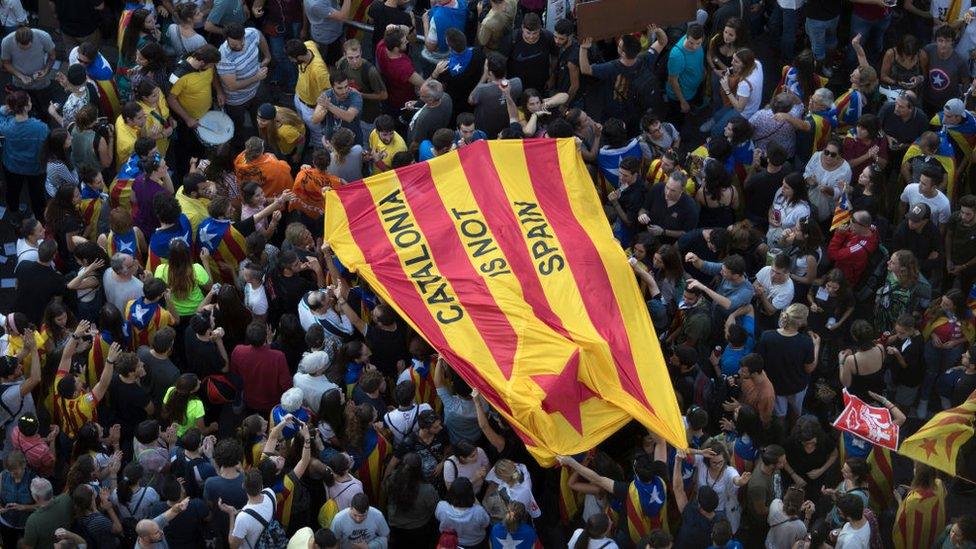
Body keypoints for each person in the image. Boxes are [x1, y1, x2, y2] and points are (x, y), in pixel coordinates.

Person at [217, 23, 271, 147]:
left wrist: (267, 56)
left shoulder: (251, 33)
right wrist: (256, 77)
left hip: (256, 90)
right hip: (237, 100)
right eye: (234, 45)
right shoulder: (224, 56)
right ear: (226, 39)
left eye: (242, 42)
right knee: (237, 128)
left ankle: (262, 145)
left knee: (259, 120)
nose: (240, 46)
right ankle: (240, 150)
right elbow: (233, 86)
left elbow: (260, 36)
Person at [667, 23, 705, 129]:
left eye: (698, 43)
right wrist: (683, 102)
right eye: (691, 43)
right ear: (686, 36)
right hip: (681, 96)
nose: (694, 47)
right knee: (678, 120)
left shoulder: (697, 40)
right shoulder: (676, 55)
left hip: (692, 90)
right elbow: (672, 81)